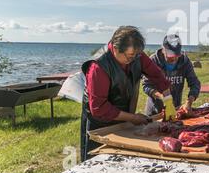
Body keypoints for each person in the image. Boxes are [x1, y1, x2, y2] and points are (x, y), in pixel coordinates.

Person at [80, 26, 170, 162]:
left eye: (136, 55)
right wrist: (133, 118)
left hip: (125, 117)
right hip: (100, 124)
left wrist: (168, 99)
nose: (133, 59)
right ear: (115, 49)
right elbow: (99, 108)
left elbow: (156, 74)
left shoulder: (136, 54)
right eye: (129, 56)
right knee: (98, 161)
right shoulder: (98, 67)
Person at [143, 34, 201, 116]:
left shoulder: (185, 61)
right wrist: (164, 98)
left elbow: (195, 83)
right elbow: (146, 86)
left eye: (177, 54)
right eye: (170, 55)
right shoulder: (153, 61)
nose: (174, 58)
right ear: (163, 50)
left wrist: (189, 102)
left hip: (176, 109)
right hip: (155, 111)